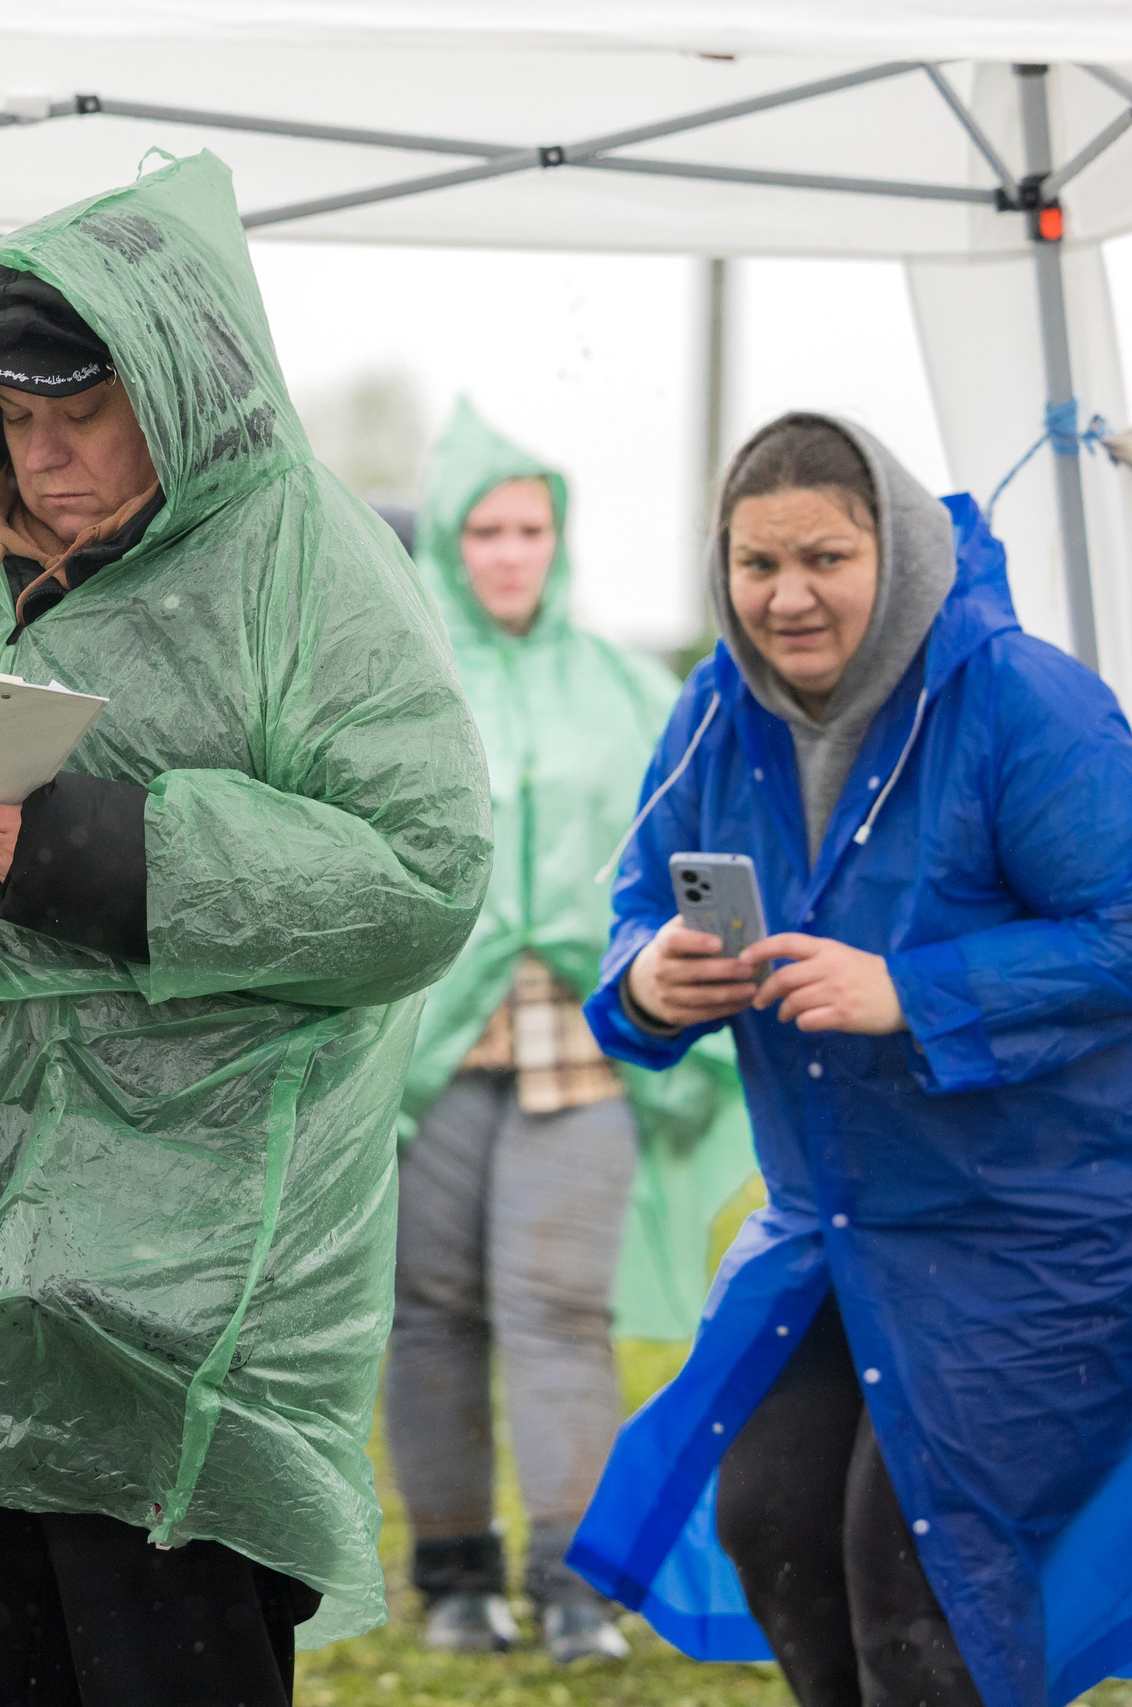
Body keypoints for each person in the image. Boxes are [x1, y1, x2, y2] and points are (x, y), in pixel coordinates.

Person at [0, 152, 491, 1706]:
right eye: (13, 424)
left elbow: (423, 869)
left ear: (176, 387)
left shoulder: (306, 571)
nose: (42, 461)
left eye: (80, 416)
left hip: (187, 1303)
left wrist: (94, 846)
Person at [568, 412, 1132, 1707]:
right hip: (849, 1220)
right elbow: (639, 904)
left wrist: (908, 990)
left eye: (825, 555)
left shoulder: (1022, 698)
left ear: (902, 553)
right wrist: (649, 979)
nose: (788, 595)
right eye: (757, 564)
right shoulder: (716, 710)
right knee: (774, 1521)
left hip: (1053, 1220)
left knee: (921, 1582)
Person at [385, 400, 754, 1664]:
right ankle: (452, 1574)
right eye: (482, 528)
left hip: (581, 1039)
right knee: (427, 1309)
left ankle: (573, 1580)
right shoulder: (395, 681)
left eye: (529, 527)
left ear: (559, 536)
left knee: (556, 1304)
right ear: (447, 541)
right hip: (427, 1042)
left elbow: (692, 851)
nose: (507, 552)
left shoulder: (626, 688)